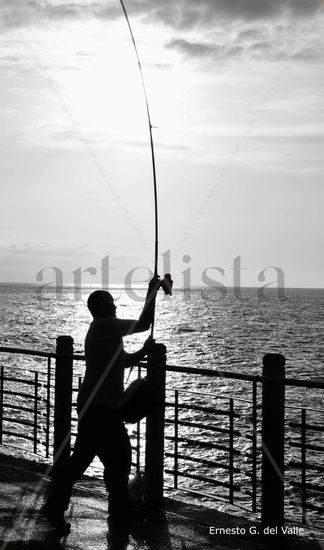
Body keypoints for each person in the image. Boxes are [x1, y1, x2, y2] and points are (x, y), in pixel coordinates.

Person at [43, 276, 161, 532]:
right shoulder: (105, 326)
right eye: (111, 303)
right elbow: (143, 323)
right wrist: (151, 293)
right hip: (98, 408)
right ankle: (57, 507)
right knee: (98, 460)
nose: (116, 307)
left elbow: (123, 361)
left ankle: (116, 507)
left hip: (98, 407)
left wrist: (143, 351)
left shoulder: (103, 330)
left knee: (113, 458)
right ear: (103, 308)